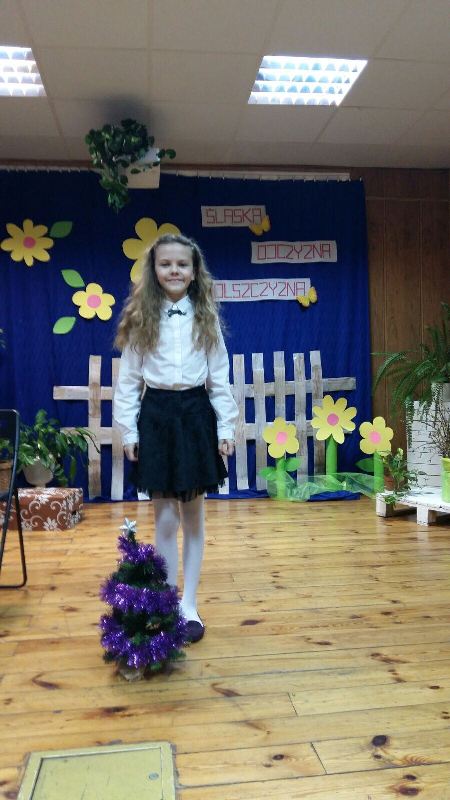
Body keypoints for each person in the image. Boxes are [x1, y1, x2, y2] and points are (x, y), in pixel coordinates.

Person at [113, 233, 238, 643]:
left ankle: (190, 605)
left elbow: (219, 378)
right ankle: (166, 602)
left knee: (193, 517)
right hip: (157, 417)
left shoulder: (206, 318)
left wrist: (225, 427)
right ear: (154, 270)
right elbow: (128, 382)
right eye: (165, 264)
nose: (174, 271)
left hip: (195, 416)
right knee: (165, 519)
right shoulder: (141, 319)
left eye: (182, 264)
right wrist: (129, 430)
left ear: (194, 271)